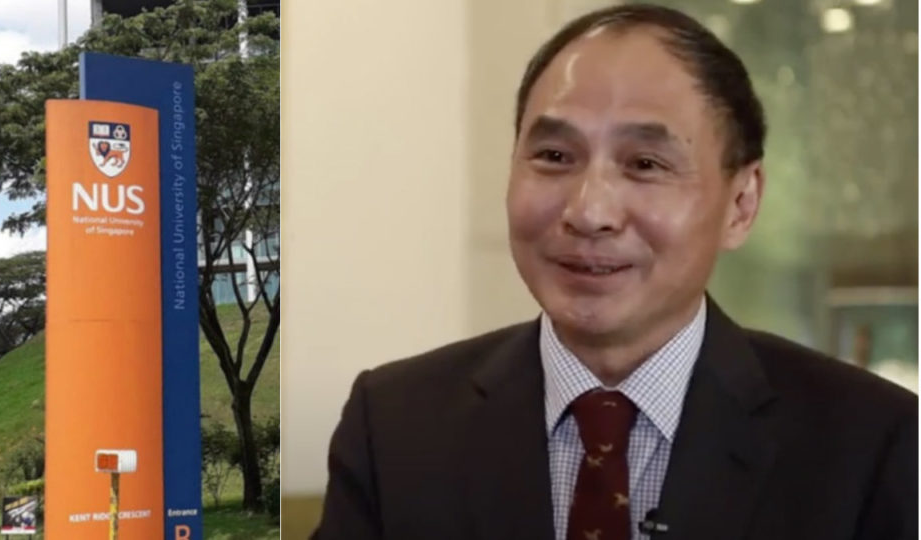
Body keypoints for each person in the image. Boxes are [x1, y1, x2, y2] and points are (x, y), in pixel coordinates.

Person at [312, 4, 918, 540]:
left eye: (646, 163)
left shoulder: (872, 444)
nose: (589, 212)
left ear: (742, 204)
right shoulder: (394, 428)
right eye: (553, 156)